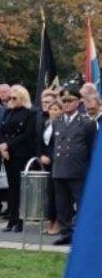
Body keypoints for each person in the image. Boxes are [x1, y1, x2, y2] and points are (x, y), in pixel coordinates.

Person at [49, 85, 96, 245]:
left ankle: (86, 234)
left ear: (79, 102)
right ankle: (66, 233)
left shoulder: (86, 123)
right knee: (62, 205)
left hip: (78, 170)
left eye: (70, 100)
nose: (66, 104)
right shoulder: (58, 121)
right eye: (64, 101)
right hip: (60, 169)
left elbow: (91, 148)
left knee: (82, 204)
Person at [0, 85, 37, 233]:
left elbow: (27, 135)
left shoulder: (30, 113)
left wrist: (7, 144)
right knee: (12, 188)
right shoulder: (7, 112)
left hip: (22, 154)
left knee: (22, 188)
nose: (11, 100)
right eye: (10, 98)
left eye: (14, 98)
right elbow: (0, 130)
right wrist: (2, 145)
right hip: (8, 155)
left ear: (22, 97)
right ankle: (12, 219)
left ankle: (20, 220)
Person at [37, 100, 63, 236]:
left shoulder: (62, 125)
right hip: (45, 161)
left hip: (57, 162)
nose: (53, 112)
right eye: (51, 109)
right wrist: (41, 155)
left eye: (56, 109)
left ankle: (58, 222)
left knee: (58, 193)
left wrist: (51, 158)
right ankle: (51, 221)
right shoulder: (46, 123)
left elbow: (60, 145)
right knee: (49, 193)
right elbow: (41, 142)